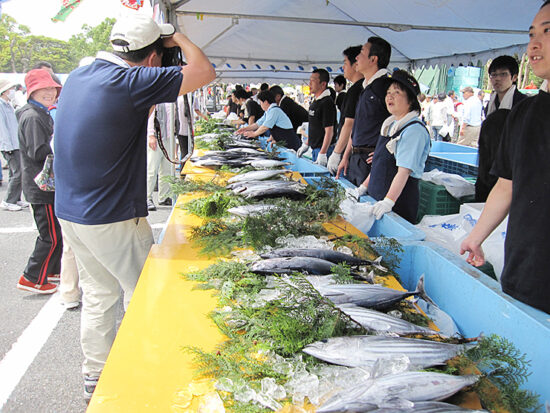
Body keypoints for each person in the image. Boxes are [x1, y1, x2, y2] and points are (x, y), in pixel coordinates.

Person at [53, 14, 215, 400]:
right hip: (110, 216)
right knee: (149, 291)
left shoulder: (80, 76)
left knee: (99, 293)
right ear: (153, 57)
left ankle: (96, 377)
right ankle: (156, 375)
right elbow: (204, 71)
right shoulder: (130, 81)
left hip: (72, 214)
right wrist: (178, 36)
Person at [460, 0, 550, 315]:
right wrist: (476, 236)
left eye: (547, 31)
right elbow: (506, 184)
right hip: (525, 270)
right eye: (531, 35)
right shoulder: (523, 112)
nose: (534, 45)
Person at [355, 70, 430, 223]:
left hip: (398, 205)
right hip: (377, 199)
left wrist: (389, 201)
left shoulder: (414, 131)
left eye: (396, 92)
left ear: (410, 100)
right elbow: (379, 164)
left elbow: (404, 171)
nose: (389, 96)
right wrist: (362, 187)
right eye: (388, 92)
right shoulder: (390, 126)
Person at [15, 69, 62, 294]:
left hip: (43, 184)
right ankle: (31, 277)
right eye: (43, 88)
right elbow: (37, 151)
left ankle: (51, 271)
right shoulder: (33, 116)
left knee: (55, 232)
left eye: (52, 88)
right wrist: (58, 143)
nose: (49, 92)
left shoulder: (39, 112)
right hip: (40, 186)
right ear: (32, 91)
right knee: (50, 235)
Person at [336, 37, 392, 186]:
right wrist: (345, 156)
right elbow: (356, 128)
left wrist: (385, 150)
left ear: (373, 59)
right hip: (356, 159)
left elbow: (401, 121)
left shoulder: (386, 88)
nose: (357, 58)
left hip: (371, 161)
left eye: (361, 52)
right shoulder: (365, 88)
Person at [476, 55, 526, 201]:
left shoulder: (523, 104)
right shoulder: (490, 103)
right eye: (493, 75)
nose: (497, 79)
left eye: (503, 74)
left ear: (514, 77)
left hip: (510, 171)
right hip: (487, 166)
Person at [327, 45, 364, 175]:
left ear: (356, 64)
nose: (343, 68)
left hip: (356, 156)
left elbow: (349, 124)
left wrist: (337, 153)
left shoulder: (355, 91)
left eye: (345, 63)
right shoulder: (360, 88)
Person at [236, 90, 301, 150]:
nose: (260, 105)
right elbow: (258, 124)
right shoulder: (268, 112)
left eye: (260, 102)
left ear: (266, 102)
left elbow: (265, 127)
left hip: (291, 143)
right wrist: (245, 129)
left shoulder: (274, 111)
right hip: (283, 143)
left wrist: (254, 134)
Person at [297, 68, 336, 166]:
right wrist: (306, 144)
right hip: (314, 149)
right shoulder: (316, 102)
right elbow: (315, 128)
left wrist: (323, 152)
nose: (309, 84)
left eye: (313, 81)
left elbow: (329, 131)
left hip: (323, 150)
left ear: (323, 84)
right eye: (309, 81)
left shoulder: (327, 102)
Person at [0, 79, 28, 211]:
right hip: (9, 145)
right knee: (18, 173)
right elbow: (2, 128)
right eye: (10, 89)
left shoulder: (8, 104)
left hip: (14, 143)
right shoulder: (1, 106)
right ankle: (8, 200)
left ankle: (16, 199)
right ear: (4, 91)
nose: (12, 91)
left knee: (14, 173)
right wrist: (7, 146)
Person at [146, 103, 173, 211]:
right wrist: (151, 135)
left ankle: (164, 196)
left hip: (168, 137)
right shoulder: (156, 99)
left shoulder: (171, 100)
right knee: (152, 169)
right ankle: (147, 197)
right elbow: (150, 116)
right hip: (156, 137)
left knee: (166, 169)